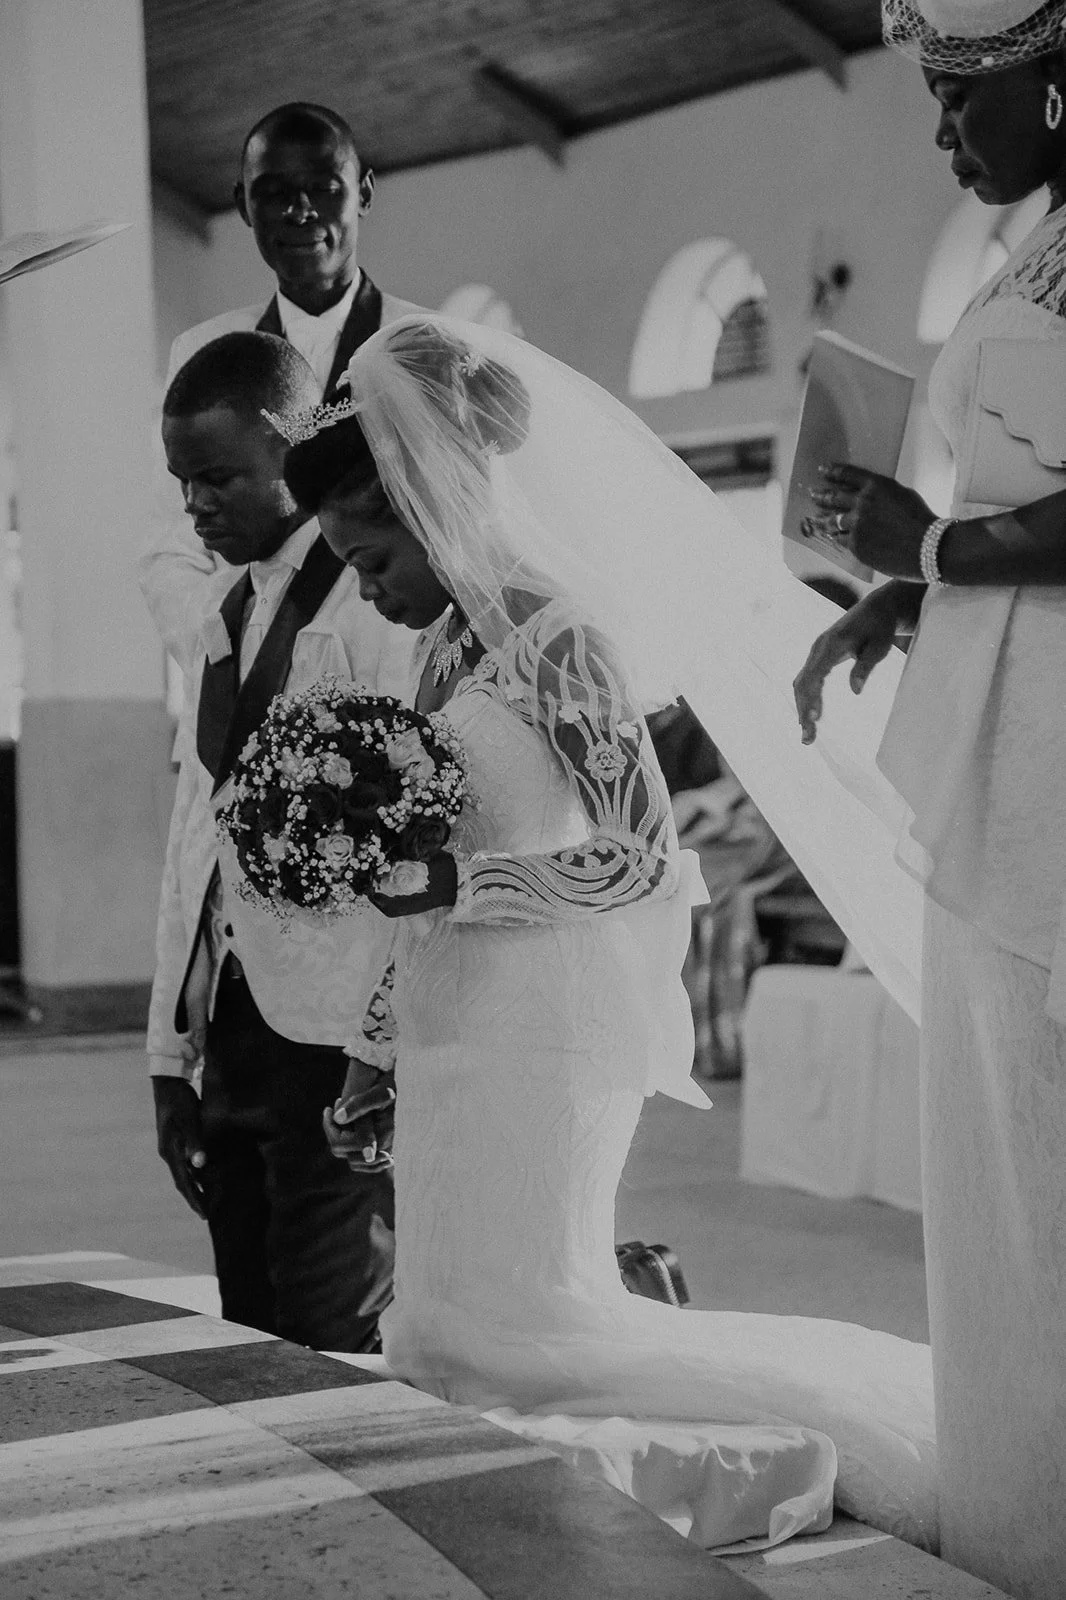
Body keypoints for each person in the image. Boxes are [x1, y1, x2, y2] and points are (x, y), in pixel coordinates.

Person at [272, 313, 938, 1555]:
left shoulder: (558, 635)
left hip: (544, 1028)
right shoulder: (442, 656)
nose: (372, 588)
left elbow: (642, 861)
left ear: (430, 503)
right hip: (452, 1023)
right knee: (441, 1323)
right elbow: (420, 868)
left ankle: (612, 1524)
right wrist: (376, 1049)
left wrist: (465, 896)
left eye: (372, 559)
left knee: (524, 1325)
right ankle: (482, 1544)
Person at [794, 3, 1066, 1591]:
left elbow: (991, 526)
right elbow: (999, 497)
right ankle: (1025, 1527)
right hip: (1000, 751)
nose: (942, 132)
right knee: (996, 1177)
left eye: (966, 96)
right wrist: (899, 597)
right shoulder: (1023, 249)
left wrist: (934, 556)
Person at [147, 331, 414, 1351]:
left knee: (329, 1337)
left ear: (285, 448)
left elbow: (410, 834)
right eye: (182, 484)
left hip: (334, 1032)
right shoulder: (224, 609)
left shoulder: (371, 600)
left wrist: (378, 1053)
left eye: (216, 477)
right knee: (250, 1336)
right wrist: (171, 1056)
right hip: (235, 1027)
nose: (196, 506)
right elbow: (192, 845)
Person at [142, 101, 422, 669]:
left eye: (324, 187)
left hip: (386, 652)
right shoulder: (204, 348)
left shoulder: (415, 343)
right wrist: (229, 637)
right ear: (243, 203)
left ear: (363, 192)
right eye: (273, 192)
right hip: (244, 655)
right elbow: (173, 536)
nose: (300, 210)